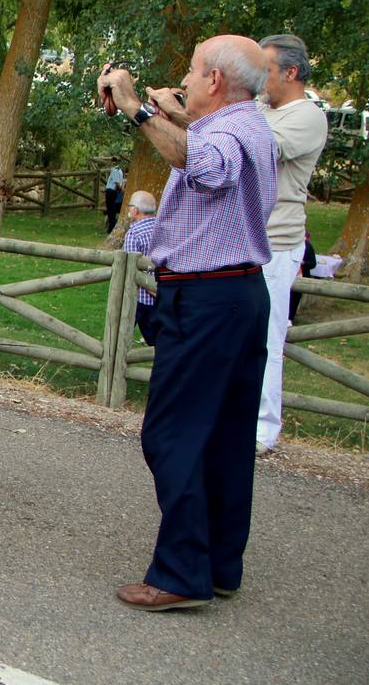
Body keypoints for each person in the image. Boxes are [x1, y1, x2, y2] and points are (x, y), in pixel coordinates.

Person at [97, 34, 277, 611]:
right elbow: (200, 149)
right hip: (238, 294)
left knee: (171, 434)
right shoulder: (247, 124)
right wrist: (174, 115)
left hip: (205, 299)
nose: (186, 80)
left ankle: (179, 573)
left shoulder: (223, 134)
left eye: (194, 72)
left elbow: (201, 164)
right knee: (224, 437)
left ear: (216, 81)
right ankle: (220, 564)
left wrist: (137, 109)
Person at [255, 34, 328, 457]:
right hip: (244, 236)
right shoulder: (262, 109)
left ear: (291, 72)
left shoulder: (308, 116)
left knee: (267, 335)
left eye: (265, 69)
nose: (258, 79)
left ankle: (263, 429)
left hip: (277, 243)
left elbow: (263, 148)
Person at [122, 190, 159, 345]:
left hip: (139, 298)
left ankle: (112, 365)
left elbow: (129, 268)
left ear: (135, 210)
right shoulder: (163, 228)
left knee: (120, 335)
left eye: (130, 206)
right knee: (158, 341)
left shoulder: (134, 233)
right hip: (161, 295)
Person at [104, 161, 125, 233]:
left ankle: (111, 227)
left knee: (110, 210)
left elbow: (117, 183)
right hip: (113, 191)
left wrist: (120, 189)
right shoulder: (120, 171)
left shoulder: (115, 170)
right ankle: (111, 227)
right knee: (111, 210)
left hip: (111, 191)